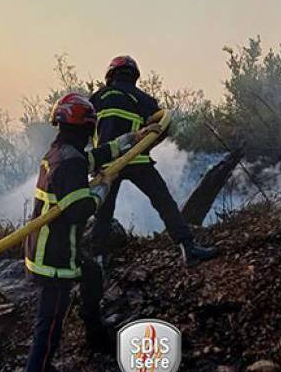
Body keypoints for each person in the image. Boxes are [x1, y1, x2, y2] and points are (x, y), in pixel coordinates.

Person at [24, 93, 159, 372]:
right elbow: (81, 210)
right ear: (86, 127)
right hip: (55, 258)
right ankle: (38, 367)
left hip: (48, 246)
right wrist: (103, 187)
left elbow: (95, 157)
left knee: (92, 274)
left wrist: (132, 139)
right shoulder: (70, 161)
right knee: (49, 327)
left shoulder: (60, 152)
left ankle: (95, 335)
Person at [89, 55, 218, 266]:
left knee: (103, 214)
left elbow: (84, 128)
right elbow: (162, 128)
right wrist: (144, 147)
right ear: (134, 76)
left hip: (108, 165)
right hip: (139, 161)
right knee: (164, 203)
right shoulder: (143, 99)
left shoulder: (96, 98)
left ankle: (99, 260)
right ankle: (188, 248)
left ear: (111, 75)